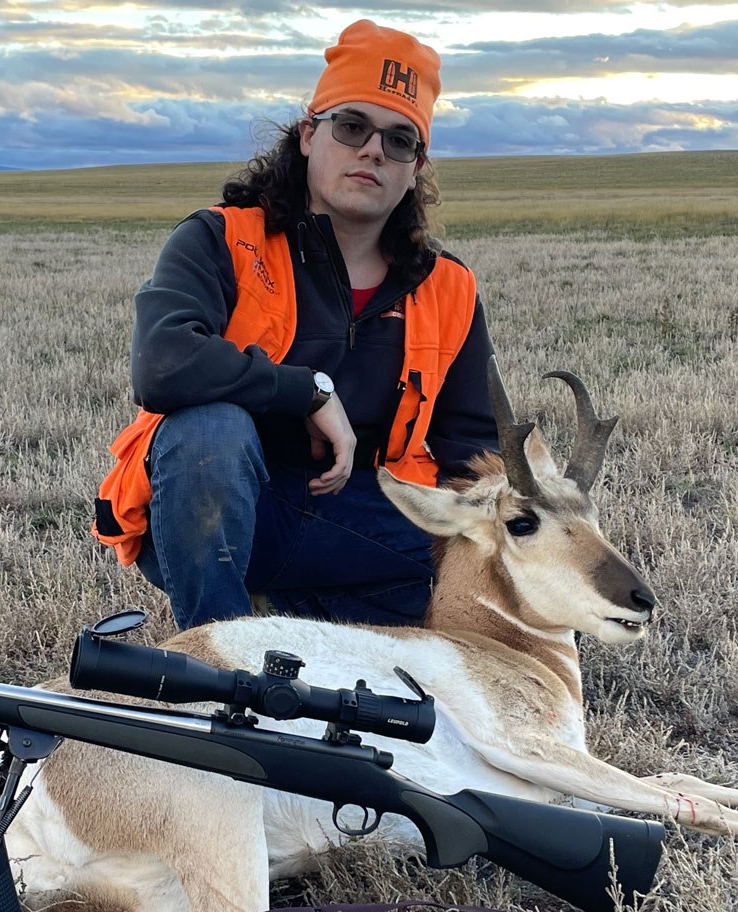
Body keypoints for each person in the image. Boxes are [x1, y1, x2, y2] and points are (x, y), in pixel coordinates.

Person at [93, 20, 499, 631]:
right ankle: (219, 662)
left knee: (494, 538)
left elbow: (473, 447)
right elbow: (164, 362)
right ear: (309, 134)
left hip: (363, 520)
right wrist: (306, 389)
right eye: (353, 126)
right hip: (225, 512)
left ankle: (303, 623)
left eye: (400, 140)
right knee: (209, 433)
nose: (372, 151)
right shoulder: (221, 238)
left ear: (416, 166)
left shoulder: (448, 285)